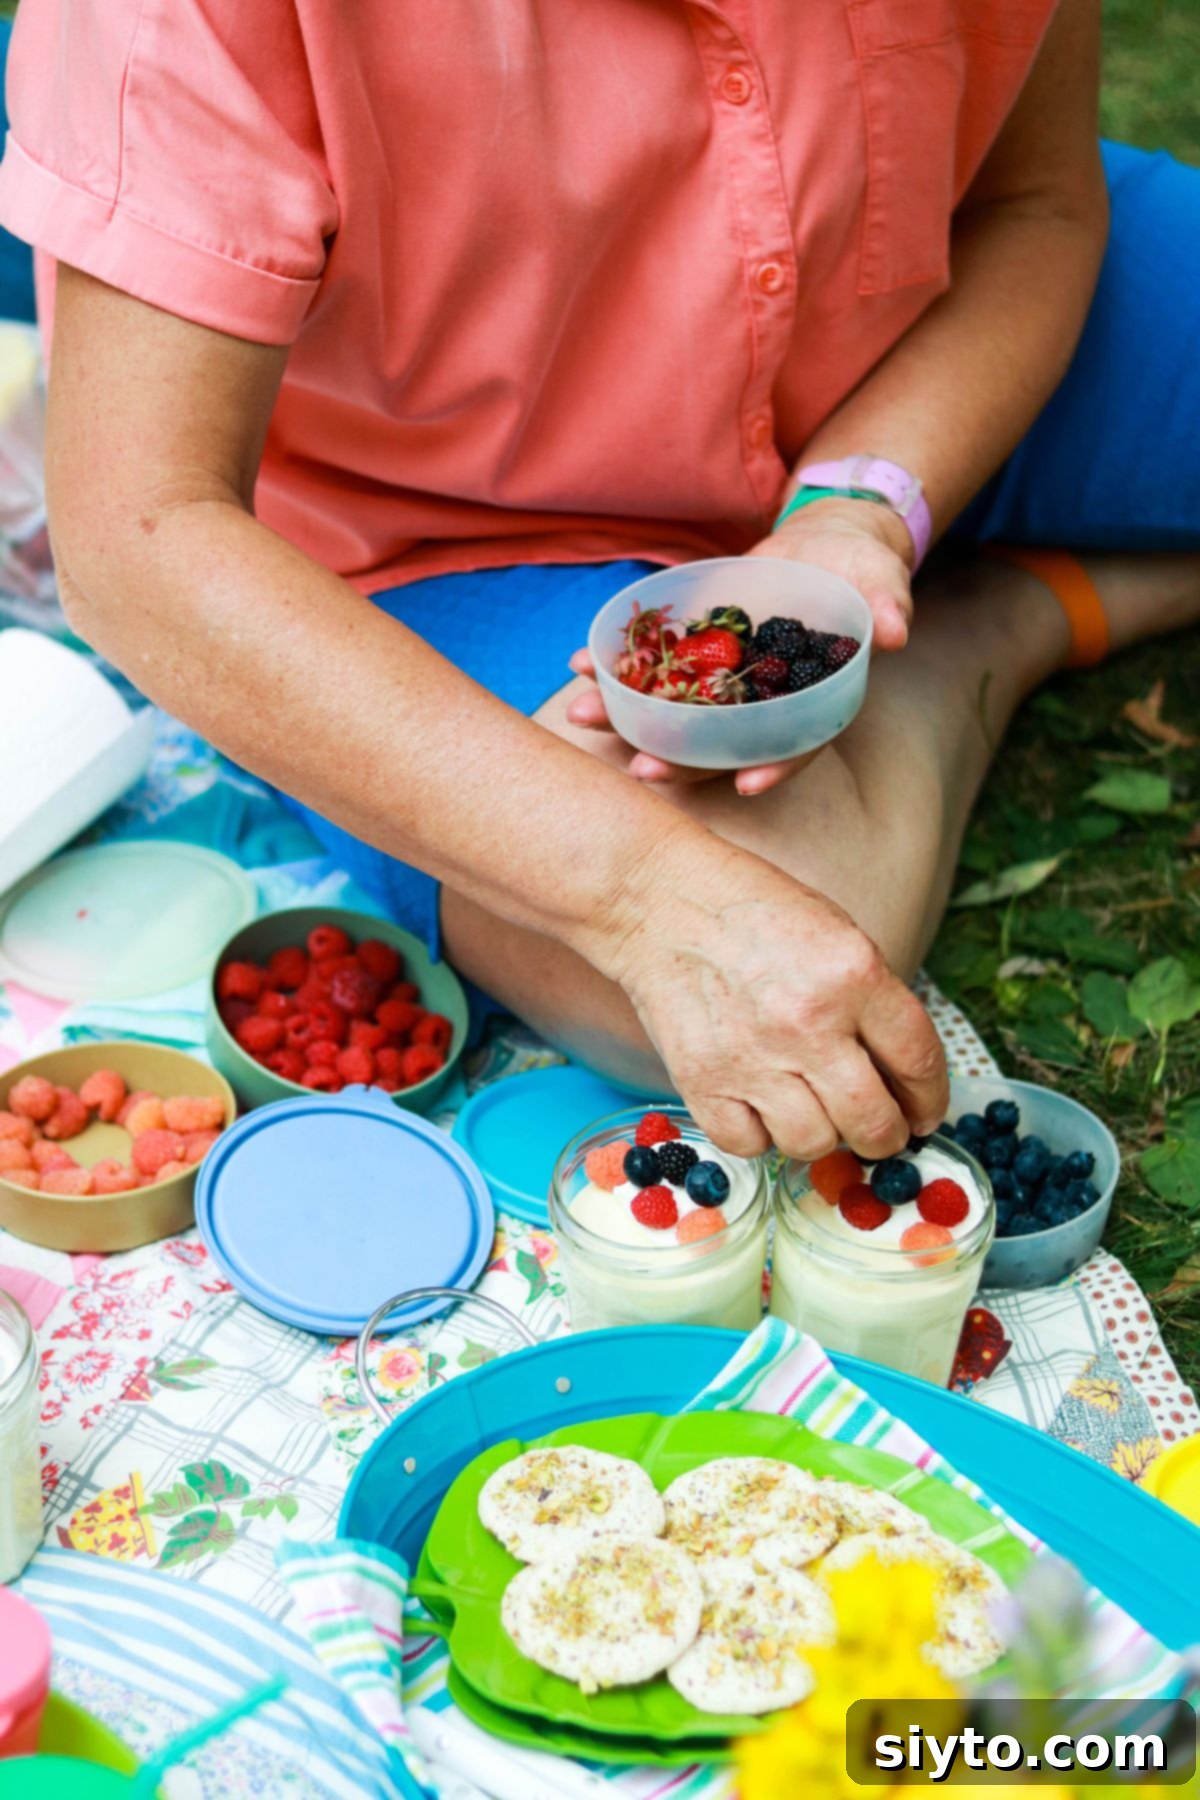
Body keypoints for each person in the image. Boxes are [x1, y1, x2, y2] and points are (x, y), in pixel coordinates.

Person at [0, 1, 1196, 1167]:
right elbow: (138, 534)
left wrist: (866, 502)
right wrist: (652, 901)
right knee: (777, 919)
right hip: (437, 527)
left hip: (920, 349)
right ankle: (993, 622)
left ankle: (929, 559)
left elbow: (1032, 206)